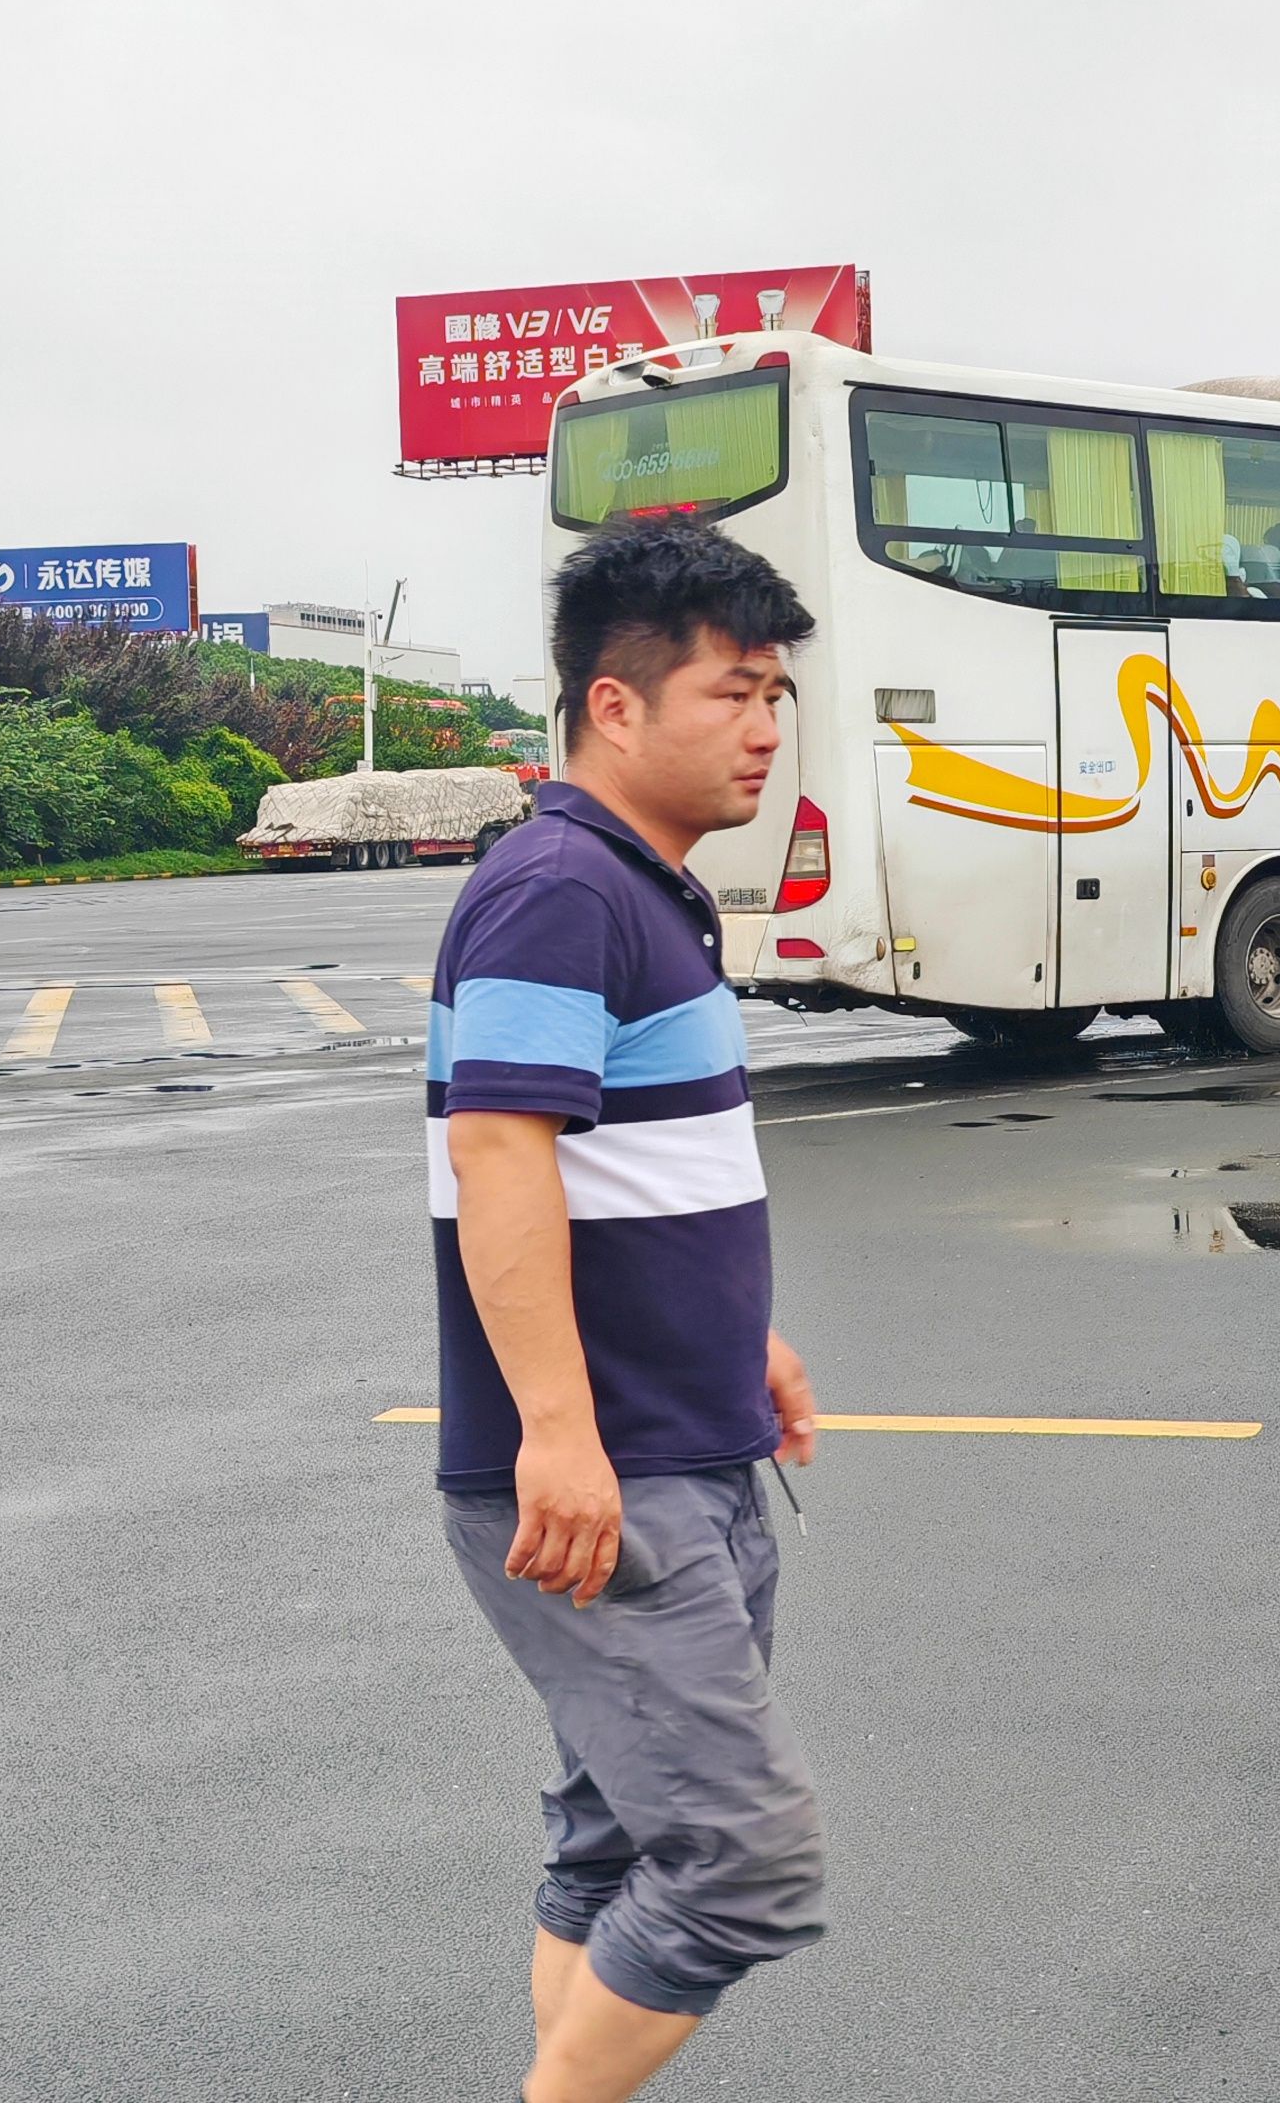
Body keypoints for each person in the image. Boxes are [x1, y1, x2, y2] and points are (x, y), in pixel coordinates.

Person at [430, 516, 828, 2103]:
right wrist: (558, 1433)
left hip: (691, 1438)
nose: (766, 726)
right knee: (744, 1862)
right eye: (733, 693)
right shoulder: (555, 890)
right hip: (621, 1470)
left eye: (776, 696)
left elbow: (635, 1174)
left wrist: (748, 1342)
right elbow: (501, 1155)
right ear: (615, 705)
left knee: (615, 1840)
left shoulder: (641, 887)